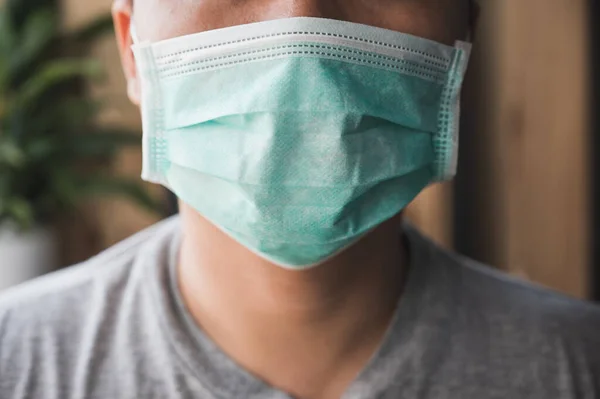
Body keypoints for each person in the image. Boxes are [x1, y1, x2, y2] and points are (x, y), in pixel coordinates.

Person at [1, 0, 599, 398]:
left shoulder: (578, 366)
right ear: (133, 47)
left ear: (461, 39)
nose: (300, 30)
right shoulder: (16, 362)